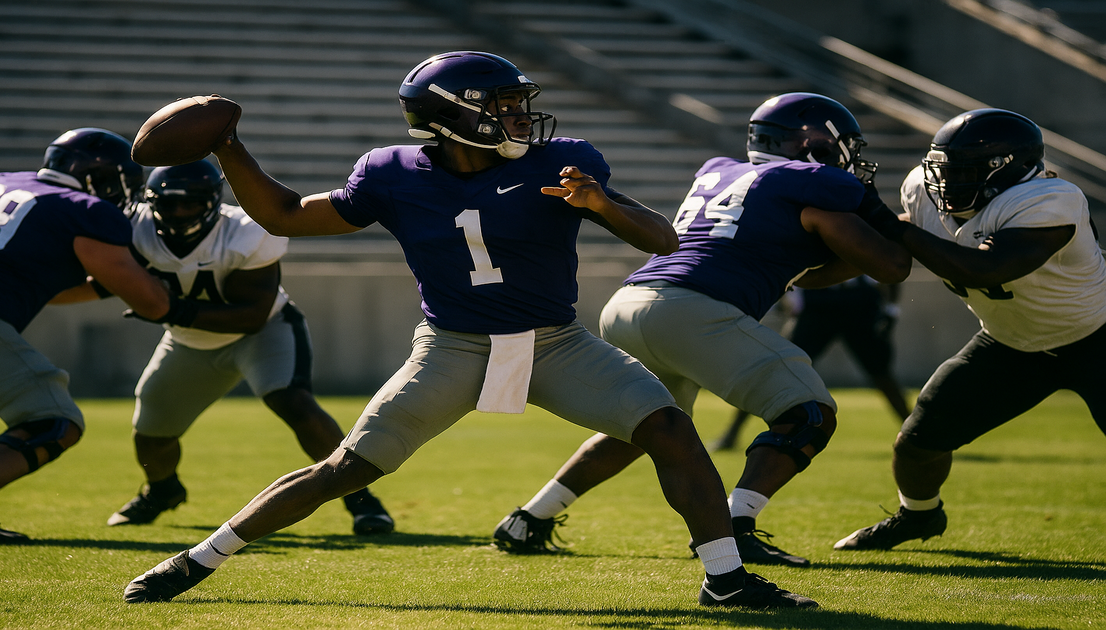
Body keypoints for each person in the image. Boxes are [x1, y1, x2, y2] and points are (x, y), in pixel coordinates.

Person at [123, 51, 816, 609]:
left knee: (668, 428)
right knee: (346, 469)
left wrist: (600, 202)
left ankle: (724, 578)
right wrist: (230, 149)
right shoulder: (390, 173)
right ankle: (197, 559)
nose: (520, 117)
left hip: (555, 342)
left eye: (520, 104)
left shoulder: (562, 161)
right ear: (451, 117)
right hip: (452, 347)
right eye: (503, 107)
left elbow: (662, 240)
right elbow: (284, 216)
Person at [490, 93, 912, 567]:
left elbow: (803, 272)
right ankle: (735, 526)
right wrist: (900, 228)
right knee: (809, 412)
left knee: (640, 428)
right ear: (814, 144)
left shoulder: (725, 172)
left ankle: (530, 517)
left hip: (633, 302)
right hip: (692, 310)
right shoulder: (811, 186)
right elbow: (891, 267)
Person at [833, 108, 1106, 550]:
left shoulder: (1051, 198)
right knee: (917, 443)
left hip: (1097, 336)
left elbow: (985, 267)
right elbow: (896, 246)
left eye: (966, 171)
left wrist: (885, 223)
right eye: (946, 168)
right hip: (1012, 344)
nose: (948, 181)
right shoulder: (921, 190)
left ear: (1011, 168)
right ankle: (918, 517)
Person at [89, 159, 391, 534]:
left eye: (192, 201)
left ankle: (362, 501)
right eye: (171, 202)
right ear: (151, 201)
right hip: (188, 342)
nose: (181, 210)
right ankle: (162, 490)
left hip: (264, 332)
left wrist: (170, 308)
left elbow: (251, 314)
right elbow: (99, 276)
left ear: (214, 201)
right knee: (151, 433)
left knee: (294, 402)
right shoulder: (133, 228)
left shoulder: (246, 230)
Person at [0, 128, 177, 544]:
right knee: (54, 420)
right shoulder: (87, 209)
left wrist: (113, 281)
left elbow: (49, 291)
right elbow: (154, 305)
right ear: (101, 176)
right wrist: (157, 279)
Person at [711, 277, 910, 451]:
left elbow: (887, 263)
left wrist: (891, 308)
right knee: (775, 367)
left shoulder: (867, 235)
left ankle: (914, 432)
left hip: (858, 302)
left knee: (882, 374)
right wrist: (791, 298)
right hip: (819, 303)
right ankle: (732, 433)